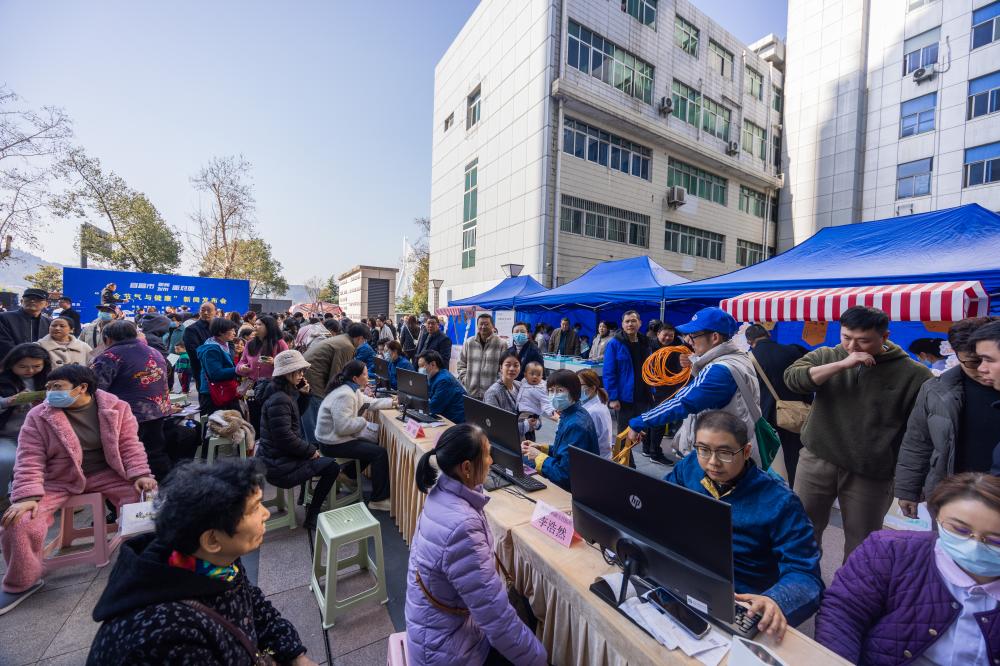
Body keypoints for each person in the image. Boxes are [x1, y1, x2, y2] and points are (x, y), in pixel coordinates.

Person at [87, 459, 315, 664]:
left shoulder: (215, 563)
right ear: (212, 539)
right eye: (255, 508)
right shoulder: (167, 635)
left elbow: (254, 606)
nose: (266, 514)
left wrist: (294, 654)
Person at [0, 365, 155, 614]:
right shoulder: (39, 416)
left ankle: (146, 563)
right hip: (57, 480)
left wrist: (140, 473)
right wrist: (27, 495)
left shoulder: (117, 407)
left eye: (57, 387)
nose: (50, 392)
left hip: (108, 473)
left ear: (82, 387)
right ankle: (22, 581)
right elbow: (29, 457)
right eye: (48, 387)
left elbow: (130, 445)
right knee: (19, 521)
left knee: (145, 502)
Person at [785, 306, 931, 561]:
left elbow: (917, 434)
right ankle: (803, 582)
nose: (852, 346)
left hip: (871, 471)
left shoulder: (914, 374)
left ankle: (851, 587)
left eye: (863, 340)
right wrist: (842, 364)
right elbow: (793, 379)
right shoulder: (827, 354)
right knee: (802, 530)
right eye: (846, 337)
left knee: (862, 541)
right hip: (817, 458)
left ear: (885, 337)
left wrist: (910, 482)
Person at [665, 411, 823, 637]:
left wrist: (776, 599)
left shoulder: (780, 502)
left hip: (741, 599)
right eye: (703, 449)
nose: (712, 462)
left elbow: (806, 576)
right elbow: (661, 505)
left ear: (747, 451)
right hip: (687, 576)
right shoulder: (689, 467)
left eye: (725, 453)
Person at [815, 473, 1000, 665]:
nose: (975, 545)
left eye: (995, 540)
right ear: (937, 516)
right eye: (960, 530)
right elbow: (843, 614)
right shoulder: (889, 550)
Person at [405, 423, 547, 666]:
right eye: (487, 454)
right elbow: (497, 621)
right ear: (467, 468)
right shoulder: (462, 527)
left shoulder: (442, 491)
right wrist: (539, 659)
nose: (491, 461)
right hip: (447, 652)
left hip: (433, 630)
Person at [623, 308, 761, 468]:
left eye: (694, 335)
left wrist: (639, 422)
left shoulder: (719, 371)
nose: (689, 341)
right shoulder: (737, 358)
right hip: (732, 449)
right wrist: (696, 361)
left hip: (721, 458)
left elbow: (682, 402)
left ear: (715, 337)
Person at [896, 318, 1000, 518]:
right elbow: (917, 442)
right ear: (956, 355)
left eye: (988, 359)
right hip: (951, 495)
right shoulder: (936, 389)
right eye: (973, 362)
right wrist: (908, 489)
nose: (982, 368)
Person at [256, 350, 339, 531]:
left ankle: (304, 497)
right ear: (286, 373)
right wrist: (310, 451)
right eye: (298, 371)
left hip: (275, 457)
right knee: (332, 467)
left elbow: (293, 417)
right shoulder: (280, 398)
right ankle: (312, 515)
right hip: (279, 465)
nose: (302, 375)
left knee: (314, 453)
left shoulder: (281, 393)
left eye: (302, 371)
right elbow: (285, 437)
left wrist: (304, 395)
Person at [91, 320, 174, 481]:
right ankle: (165, 486)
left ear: (107, 338)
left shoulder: (110, 356)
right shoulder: (154, 351)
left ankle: (138, 488)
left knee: (131, 455)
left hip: (130, 414)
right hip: (158, 411)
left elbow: (96, 388)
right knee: (155, 451)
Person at [315, 360, 394, 512]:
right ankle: (378, 500)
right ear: (355, 378)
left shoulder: (352, 390)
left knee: (372, 446)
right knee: (379, 453)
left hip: (333, 440)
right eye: (365, 374)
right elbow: (343, 427)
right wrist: (362, 422)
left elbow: (369, 402)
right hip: (332, 443)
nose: (368, 377)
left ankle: (348, 475)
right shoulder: (345, 395)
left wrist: (392, 402)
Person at [745, 324, 810, 485]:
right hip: (794, 412)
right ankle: (796, 487)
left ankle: (771, 487)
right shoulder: (793, 350)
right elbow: (807, 379)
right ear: (768, 334)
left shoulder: (748, 359)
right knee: (794, 455)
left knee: (768, 456)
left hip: (765, 415)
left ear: (749, 341)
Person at [521, 369, 599, 491]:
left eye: (560, 390)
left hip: (576, 488)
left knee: (522, 465)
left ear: (574, 392)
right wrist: (541, 448)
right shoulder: (571, 413)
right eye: (551, 390)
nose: (554, 395)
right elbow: (565, 452)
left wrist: (539, 456)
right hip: (574, 478)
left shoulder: (576, 425)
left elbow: (564, 475)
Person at [0, 344, 51, 507]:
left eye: (36, 366)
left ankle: (48, 497)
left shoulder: (50, 380)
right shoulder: (3, 380)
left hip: (39, 435)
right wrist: (7, 401)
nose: (30, 370)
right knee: (6, 460)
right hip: (8, 435)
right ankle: (3, 496)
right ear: (11, 364)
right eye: (22, 366)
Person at [301, 322, 367, 444]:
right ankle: (314, 448)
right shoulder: (346, 346)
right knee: (315, 416)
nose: (363, 343)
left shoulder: (343, 339)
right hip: (313, 380)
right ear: (360, 338)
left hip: (309, 375)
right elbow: (337, 375)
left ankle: (311, 445)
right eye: (364, 341)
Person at [604, 310, 654, 453]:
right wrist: (613, 397)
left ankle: (629, 460)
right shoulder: (615, 343)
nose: (630, 324)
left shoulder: (646, 342)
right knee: (624, 432)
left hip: (643, 395)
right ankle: (622, 462)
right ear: (622, 324)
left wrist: (653, 390)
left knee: (638, 431)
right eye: (627, 321)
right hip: (624, 398)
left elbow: (651, 368)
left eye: (633, 321)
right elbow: (609, 372)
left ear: (640, 323)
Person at [484, 351, 539, 438]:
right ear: (501, 367)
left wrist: (536, 423)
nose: (512, 368)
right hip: (508, 442)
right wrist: (525, 426)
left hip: (527, 441)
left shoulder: (521, 386)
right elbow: (494, 426)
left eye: (516, 365)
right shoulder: (493, 393)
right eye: (508, 365)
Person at [457, 313, 507, 400]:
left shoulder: (501, 344)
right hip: (471, 392)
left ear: (493, 326)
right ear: (477, 325)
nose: (483, 327)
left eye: (486, 324)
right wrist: (465, 380)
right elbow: (461, 364)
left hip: (492, 394)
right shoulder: (469, 342)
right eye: (481, 324)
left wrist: (498, 384)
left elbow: (504, 368)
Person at [196, 317, 240, 416]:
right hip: (214, 393)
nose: (234, 333)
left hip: (223, 390)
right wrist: (238, 369)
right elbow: (216, 374)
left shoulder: (224, 344)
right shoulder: (211, 349)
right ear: (221, 332)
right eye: (232, 330)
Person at [0, 288, 52, 359]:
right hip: (12, 362)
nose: (32, 301)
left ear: (46, 304)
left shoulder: (49, 323)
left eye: (38, 299)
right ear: (22, 301)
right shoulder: (4, 318)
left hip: (40, 363)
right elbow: (4, 345)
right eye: (28, 298)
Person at [417, 350, 466, 423]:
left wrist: (415, 404)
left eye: (422, 366)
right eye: (419, 366)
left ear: (433, 364)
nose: (420, 369)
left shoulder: (444, 380)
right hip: (445, 417)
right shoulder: (432, 377)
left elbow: (433, 407)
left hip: (455, 421)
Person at [236, 315, 287, 384]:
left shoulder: (280, 343)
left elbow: (288, 364)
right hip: (252, 384)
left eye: (259, 324)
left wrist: (274, 362)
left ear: (269, 327)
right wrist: (241, 367)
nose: (255, 326)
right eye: (255, 324)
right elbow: (242, 361)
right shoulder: (250, 343)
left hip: (272, 384)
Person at [183, 301, 217, 396]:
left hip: (221, 370)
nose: (205, 313)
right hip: (201, 371)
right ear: (199, 312)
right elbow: (194, 352)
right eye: (203, 310)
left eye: (209, 310)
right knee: (206, 398)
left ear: (215, 312)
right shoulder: (191, 329)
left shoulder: (219, 328)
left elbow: (229, 343)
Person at [578, 369, 613, 458]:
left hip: (595, 459)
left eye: (579, 385)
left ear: (592, 388)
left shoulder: (591, 412)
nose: (575, 389)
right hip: (603, 453)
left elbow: (580, 441)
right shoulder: (598, 401)